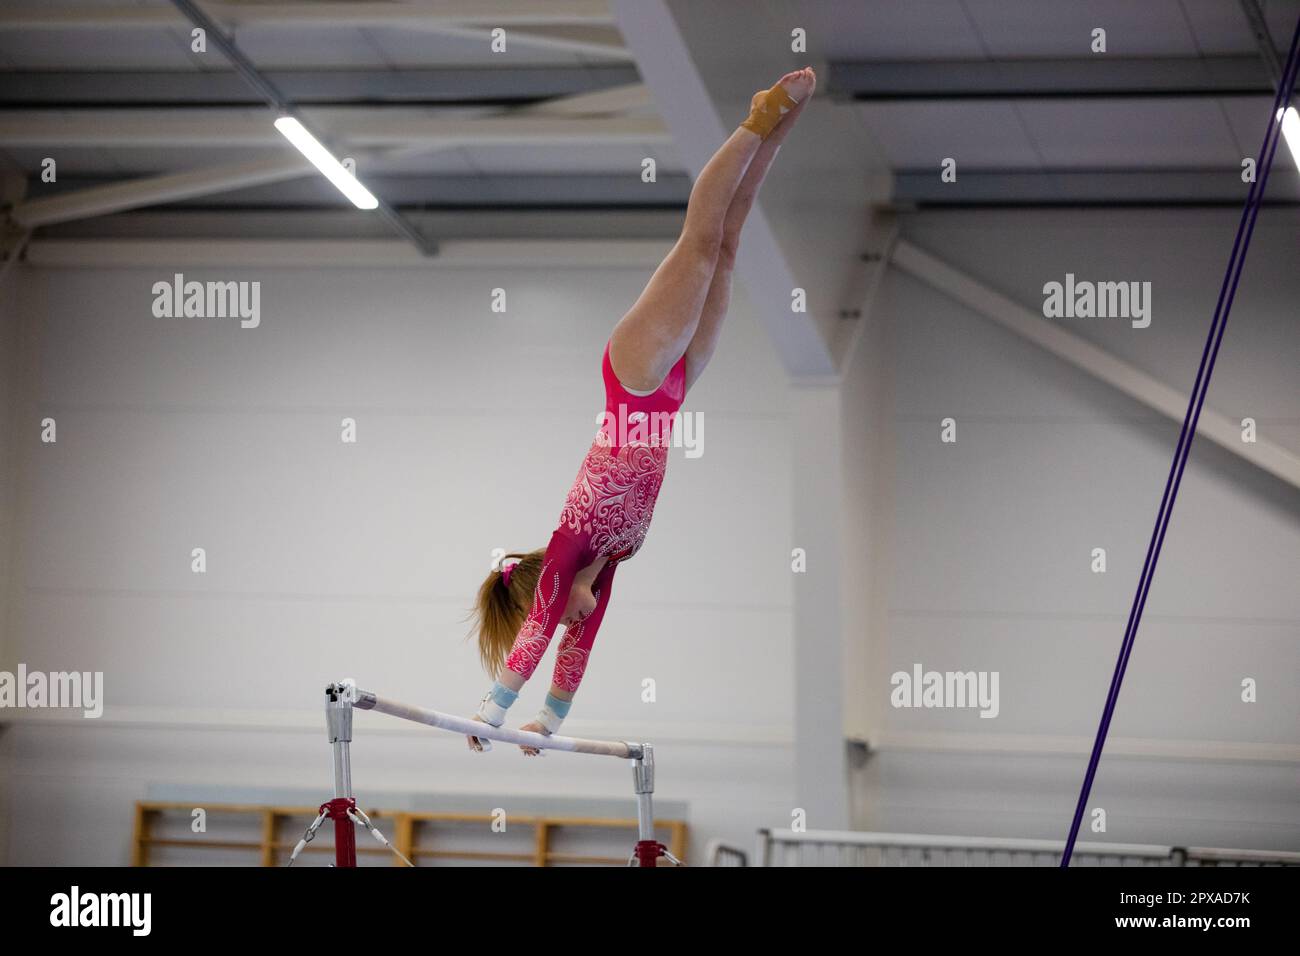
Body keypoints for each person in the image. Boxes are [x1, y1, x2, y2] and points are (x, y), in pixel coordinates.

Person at [467, 69, 816, 754]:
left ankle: (756, 117)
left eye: (559, 611)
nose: (572, 621)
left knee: (699, 240)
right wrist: (552, 724)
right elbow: (576, 651)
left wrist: (493, 712)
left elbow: (541, 633)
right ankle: (778, 129)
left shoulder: (571, 547)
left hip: (634, 374)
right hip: (674, 388)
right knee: (730, 243)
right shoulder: (615, 559)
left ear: (547, 588)